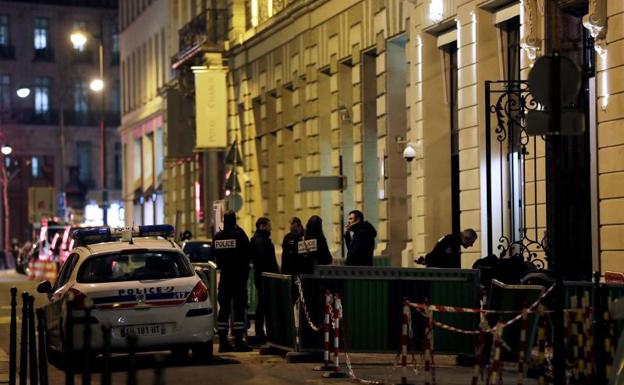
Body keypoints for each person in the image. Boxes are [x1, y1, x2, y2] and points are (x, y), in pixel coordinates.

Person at [210, 210, 253, 352]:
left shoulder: (218, 237)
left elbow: (211, 256)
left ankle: (223, 342)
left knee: (224, 310)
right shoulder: (240, 236)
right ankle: (239, 341)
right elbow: (248, 254)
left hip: (225, 279)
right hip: (238, 279)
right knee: (239, 310)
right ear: (234, 221)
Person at [250, 217, 278, 344]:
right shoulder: (261, 241)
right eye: (268, 226)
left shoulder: (260, 239)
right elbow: (265, 261)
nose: (270, 228)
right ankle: (261, 333)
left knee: (263, 305)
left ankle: (261, 332)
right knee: (263, 306)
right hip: (265, 278)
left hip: (263, 277)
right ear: (262, 226)